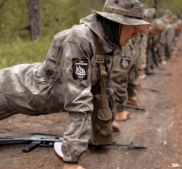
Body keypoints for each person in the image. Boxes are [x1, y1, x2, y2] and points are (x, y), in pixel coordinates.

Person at [0, 0, 150, 168]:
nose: (136, 34)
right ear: (118, 23)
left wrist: (106, 121)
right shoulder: (80, 40)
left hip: (33, 93)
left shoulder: (107, 44)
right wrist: (71, 159)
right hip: (14, 88)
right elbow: (79, 99)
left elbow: (102, 85)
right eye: (134, 28)